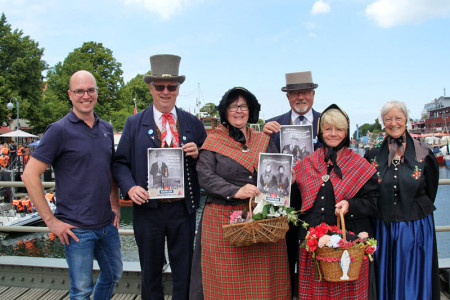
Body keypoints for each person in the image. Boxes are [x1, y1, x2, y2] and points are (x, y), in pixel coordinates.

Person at [112, 54, 207, 300]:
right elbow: (120, 163)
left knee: (184, 270)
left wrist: (198, 154)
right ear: (151, 88)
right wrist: (130, 187)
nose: (165, 92)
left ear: (177, 90)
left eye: (171, 87)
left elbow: (209, 163)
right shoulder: (134, 123)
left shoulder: (193, 124)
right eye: (160, 86)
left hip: (182, 210)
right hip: (147, 210)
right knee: (151, 272)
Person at [22, 70, 123, 300]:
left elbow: (109, 169)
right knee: (81, 291)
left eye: (90, 90)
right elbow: (29, 175)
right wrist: (51, 222)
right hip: (76, 229)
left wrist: (115, 205)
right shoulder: (59, 130)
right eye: (79, 91)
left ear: (97, 93)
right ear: (70, 94)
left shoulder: (106, 128)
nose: (85, 96)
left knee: (113, 274)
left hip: (107, 224)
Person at [190, 87, 291, 300]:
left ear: (250, 110)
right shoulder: (213, 141)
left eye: (243, 106)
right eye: (233, 106)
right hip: (222, 219)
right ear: (225, 111)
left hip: (260, 219)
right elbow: (205, 176)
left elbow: (275, 170)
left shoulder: (263, 140)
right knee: (224, 282)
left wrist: (286, 181)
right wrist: (235, 191)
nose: (239, 111)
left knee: (262, 281)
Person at [293, 104, 378, 299]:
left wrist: (351, 205)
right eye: (328, 129)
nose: (333, 134)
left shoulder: (360, 164)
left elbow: (373, 202)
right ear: (320, 131)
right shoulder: (307, 163)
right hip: (313, 243)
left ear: (346, 132)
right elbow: (298, 203)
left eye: (339, 129)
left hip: (349, 242)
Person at [364, 100, 440, 300]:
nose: (393, 123)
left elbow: (431, 188)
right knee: (385, 271)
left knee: (412, 272)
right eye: (388, 119)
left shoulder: (424, 153)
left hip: (416, 225)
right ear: (383, 122)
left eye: (398, 118)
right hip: (383, 226)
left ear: (406, 119)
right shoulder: (371, 154)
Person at [263, 71, 323, 294]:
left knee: (315, 255)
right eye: (294, 92)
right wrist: (263, 136)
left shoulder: (326, 123)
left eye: (305, 92)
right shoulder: (272, 125)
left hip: (317, 204)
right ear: (287, 97)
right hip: (282, 205)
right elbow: (261, 163)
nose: (300, 97)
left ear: (313, 94)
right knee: (284, 259)